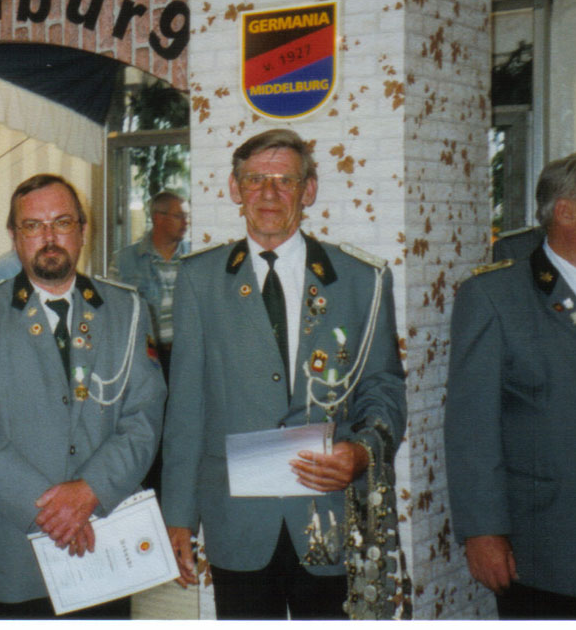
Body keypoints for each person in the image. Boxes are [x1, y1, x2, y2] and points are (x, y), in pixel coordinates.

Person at [161, 128, 407, 620]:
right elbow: (186, 406)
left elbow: (383, 387)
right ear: (235, 189)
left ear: (308, 190)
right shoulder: (200, 279)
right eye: (255, 180)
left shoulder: (361, 279)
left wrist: (362, 453)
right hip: (237, 519)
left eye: (284, 181)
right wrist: (178, 517)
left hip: (329, 513)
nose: (268, 193)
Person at [0, 173, 167, 619]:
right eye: (33, 226)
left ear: (83, 230)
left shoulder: (127, 310)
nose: (48, 237)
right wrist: (52, 512)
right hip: (16, 553)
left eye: (62, 222)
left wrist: (90, 491)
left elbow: (144, 417)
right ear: (14, 236)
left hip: (105, 543)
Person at [445, 151, 576, 619]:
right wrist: (482, 531)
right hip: (552, 546)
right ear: (566, 212)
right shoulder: (496, 297)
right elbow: (472, 427)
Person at [109, 190, 189, 495]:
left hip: (183, 359)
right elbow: (113, 316)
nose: (185, 222)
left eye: (185, 216)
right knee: (147, 431)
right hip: (145, 361)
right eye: (179, 216)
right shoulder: (125, 261)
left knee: (180, 433)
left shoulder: (193, 261)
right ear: (158, 218)